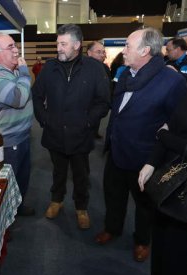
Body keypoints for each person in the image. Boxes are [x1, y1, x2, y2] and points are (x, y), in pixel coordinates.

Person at [95, 27, 187, 262]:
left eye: (127, 45)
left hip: (145, 158)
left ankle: (142, 241)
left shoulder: (172, 81)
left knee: (144, 205)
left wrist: (156, 159)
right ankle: (112, 228)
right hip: (116, 151)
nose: (122, 50)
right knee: (113, 195)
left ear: (145, 50)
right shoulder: (126, 73)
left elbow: (175, 125)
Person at [139, 21, 187, 275]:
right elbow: (170, 126)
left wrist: (164, 135)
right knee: (160, 255)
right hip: (166, 181)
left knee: (178, 260)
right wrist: (151, 161)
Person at [32, 24, 110, 229]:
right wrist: (44, 120)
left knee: (81, 174)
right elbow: (37, 96)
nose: (58, 48)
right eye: (58, 43)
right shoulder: (50, 67)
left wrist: (87, 122)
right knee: (58, 171)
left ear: (76, 45)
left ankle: (81, 208)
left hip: (81, 135)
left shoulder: (94, 69)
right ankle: (56, 200)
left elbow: (103, 101)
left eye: (63, 44)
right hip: (54, 133)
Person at [0, 33, 35, 216]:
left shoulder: (9, 71)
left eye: (15, 46)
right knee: (5, 184)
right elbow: (19, 98)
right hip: (7, 143)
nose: (16, 50)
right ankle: (5, 224)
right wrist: (24, 72)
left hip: (22, 137)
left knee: (21, 178)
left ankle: (18, 207)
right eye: (11, 47)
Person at [87, 41, 112, 138]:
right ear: (89, 53)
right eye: (98, 52)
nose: (102, 55)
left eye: (103, 52)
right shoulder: (82, 68)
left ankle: (94, 133)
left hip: (100, 105)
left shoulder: (105, 67)